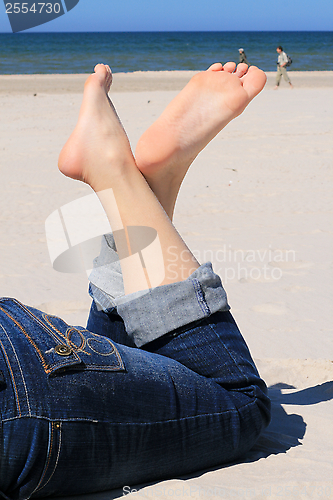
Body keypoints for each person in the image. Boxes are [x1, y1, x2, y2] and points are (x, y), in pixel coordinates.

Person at [0, 62, 270, 500]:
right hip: (14, 345)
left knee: (238, 402)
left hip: (18, 395)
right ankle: (149, 192)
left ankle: (115, 173)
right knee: (126, 358)